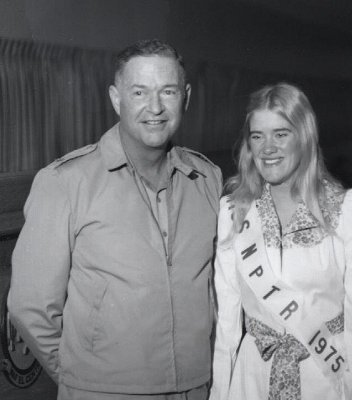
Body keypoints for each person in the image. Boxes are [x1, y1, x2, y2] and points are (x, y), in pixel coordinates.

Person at [8, 39, 222, 399]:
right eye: (139, 92)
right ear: (116, 99)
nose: (155, 107)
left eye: (167, 91)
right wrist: (82, 378)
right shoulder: (66, 182)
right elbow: (30, 307)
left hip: (197, 388)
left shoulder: (207, 180)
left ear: (185, 97)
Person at [209, 82, 352, 400]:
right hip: (251, 380)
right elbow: (227, 323)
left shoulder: (347, 208)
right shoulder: (234, 211)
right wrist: (220, 392)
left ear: (305, 137)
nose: (268, 148)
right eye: (258, 136)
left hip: (326, 377)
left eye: (281, 134)